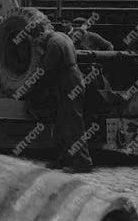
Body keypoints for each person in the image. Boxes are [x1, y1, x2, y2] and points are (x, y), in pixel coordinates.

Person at [34, 29, 93, 173]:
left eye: (37, 40)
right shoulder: (61, 36)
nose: (37, 42)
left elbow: (47, 68)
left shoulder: (54, 43)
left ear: (41, 33)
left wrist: (40, 55)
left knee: (73, 124)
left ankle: (83, 163)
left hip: (69, 81)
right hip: (71, 79)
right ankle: (63, 159)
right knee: (62, 123)